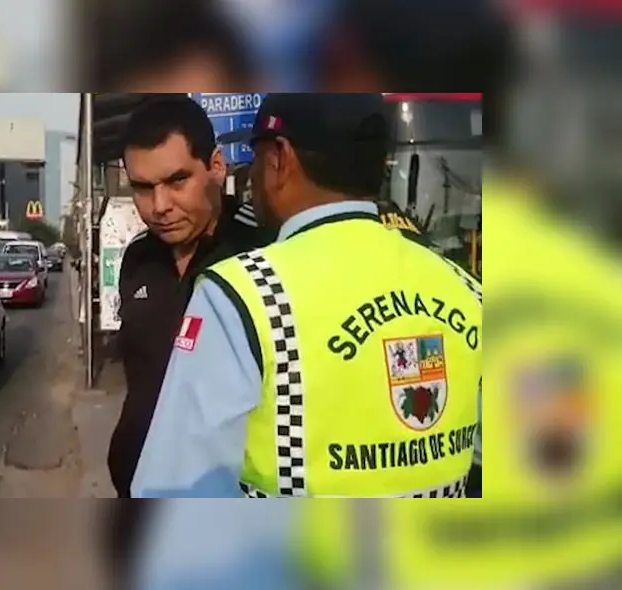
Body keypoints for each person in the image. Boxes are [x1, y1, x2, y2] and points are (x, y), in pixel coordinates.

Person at [131, 93, 482, 498]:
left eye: (256, 157)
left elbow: (172, 492)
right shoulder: (465, 289)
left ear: (279, 158)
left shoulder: (242, 295)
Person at [107, 96, 277, 498]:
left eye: (177, 181)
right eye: (143, 188)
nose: (159, 206)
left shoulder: (264, 251)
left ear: (216, 167)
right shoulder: (137, 259)